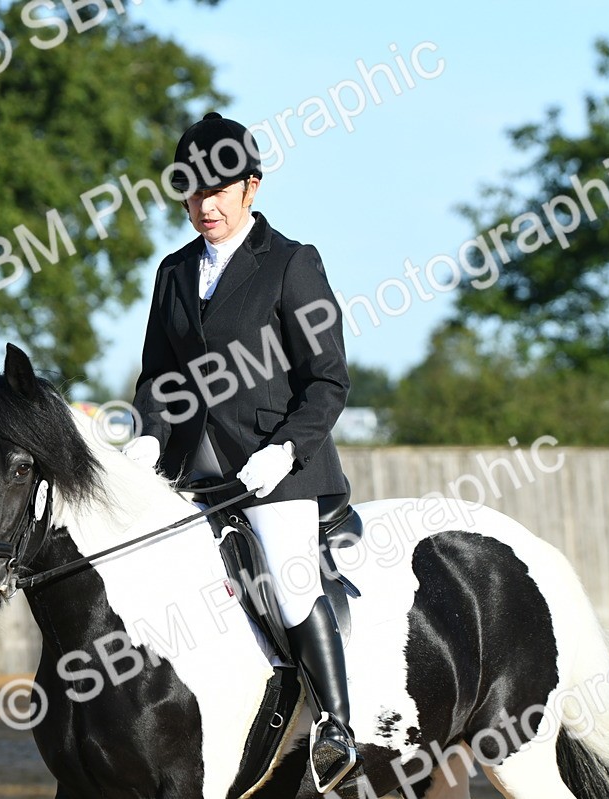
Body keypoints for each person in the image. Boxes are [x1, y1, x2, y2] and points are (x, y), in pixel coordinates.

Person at [123, 112, 360, 794]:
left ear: (251, 187)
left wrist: (284, 450)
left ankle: (334, 727)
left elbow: (327, 380)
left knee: (289, 579)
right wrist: (147, 435)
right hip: (190, 472)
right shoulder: (173, 271)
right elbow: (158, 378)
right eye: (193, 191)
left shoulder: (291, 263)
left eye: (218, 190)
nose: (205, 205)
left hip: (275, 472)